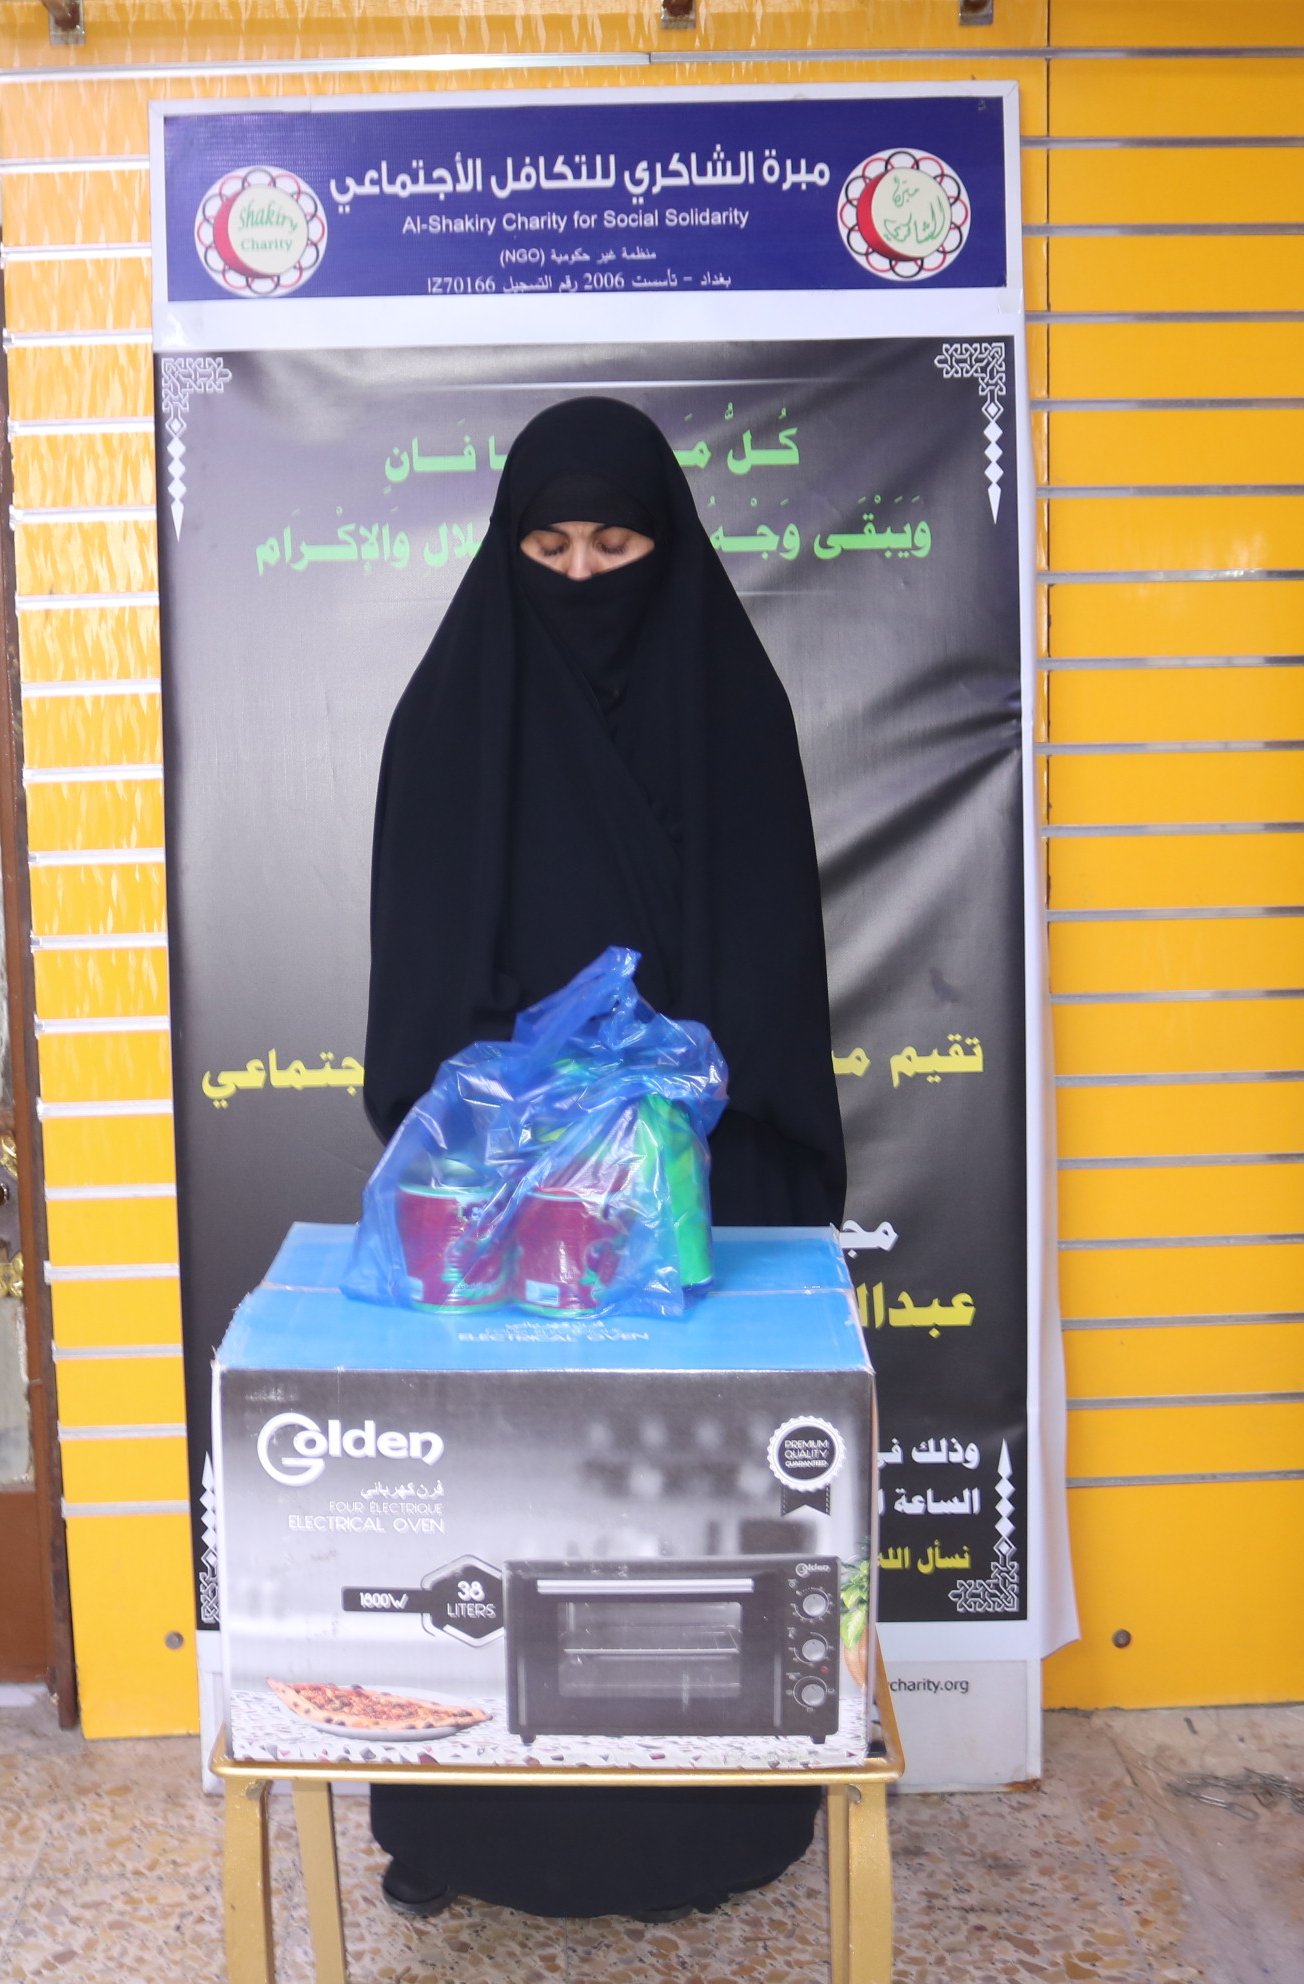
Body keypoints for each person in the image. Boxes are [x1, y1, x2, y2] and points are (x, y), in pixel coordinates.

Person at [359, 395, 849, 1922]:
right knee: (501, 1514)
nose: (581, 576)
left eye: (617, 546)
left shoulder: (733, 712)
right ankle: (466, 1827)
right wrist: (538, 1120)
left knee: (680, 1520)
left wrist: (663, 1117)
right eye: (552, 546)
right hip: (503, 1205)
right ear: (509, 549)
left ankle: (695, 1835)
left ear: (667, 546)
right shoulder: (453, 717)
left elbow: (772, 971)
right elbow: (420, 981)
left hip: (698, 1193)